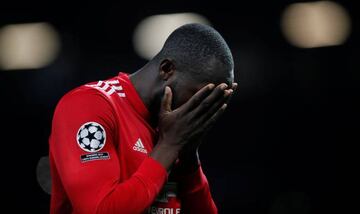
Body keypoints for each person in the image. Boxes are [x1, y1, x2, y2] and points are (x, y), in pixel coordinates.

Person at [49, 23, 237, 214]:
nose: (202, 110)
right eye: (200, 97)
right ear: (166, 69)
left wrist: (188, 158)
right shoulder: (89, 105)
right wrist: (169, 146)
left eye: (213, 102)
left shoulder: (172, 129)